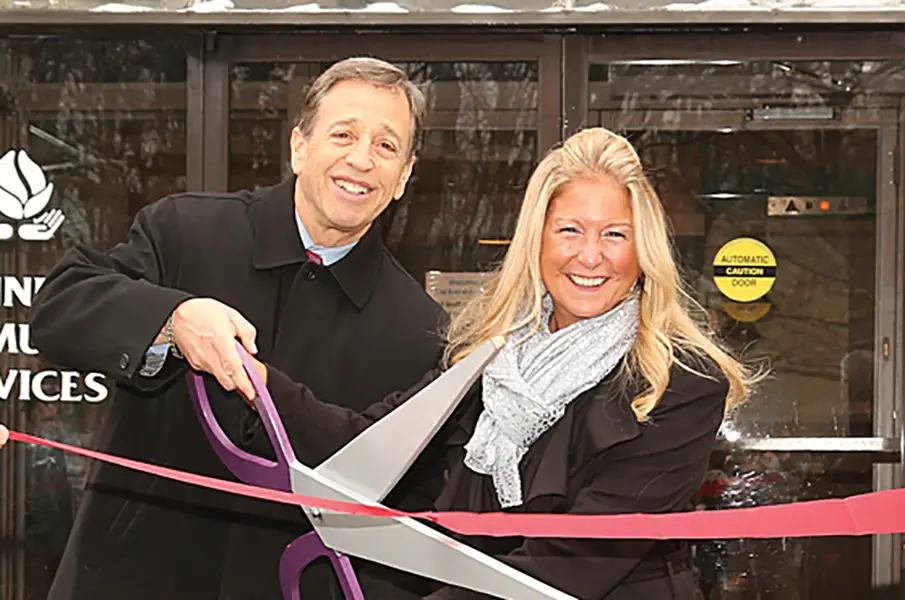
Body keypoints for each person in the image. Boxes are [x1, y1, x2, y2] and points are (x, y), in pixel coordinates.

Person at [242, 126, 759, 600]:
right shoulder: (491, 358)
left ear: (643, 250)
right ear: (537, 241)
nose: (590, 255)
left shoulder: (681, 382)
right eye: (570, 230)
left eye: (615, 234)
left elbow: (576, 560)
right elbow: (368, 442)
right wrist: (253, 379)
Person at [28, 57, 447, 600]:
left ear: (404, 176)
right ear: (300, 146)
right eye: (343, 133)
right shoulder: (184, 230)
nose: (361, 159)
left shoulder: (420, 329)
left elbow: (404, 514)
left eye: (387, 146)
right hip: (125, 578)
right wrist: (171, 321)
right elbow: (59, 308)